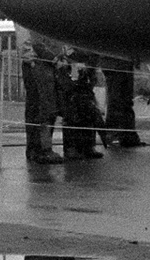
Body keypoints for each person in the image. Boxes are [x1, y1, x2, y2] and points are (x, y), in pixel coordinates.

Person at [18, 28, 64, 164]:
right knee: (42, 107)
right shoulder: (33, 19)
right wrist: (54, 58)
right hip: (38, 64)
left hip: (40, 62)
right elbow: (35, 43)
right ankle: (41, 149)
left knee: (39, 107)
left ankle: (36, 149)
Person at [58, 59, 106, 159]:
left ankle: (88, 147)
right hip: (69, 68)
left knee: (89, 111)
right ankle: (70, 149)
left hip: (87, 68)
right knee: (72, 112)